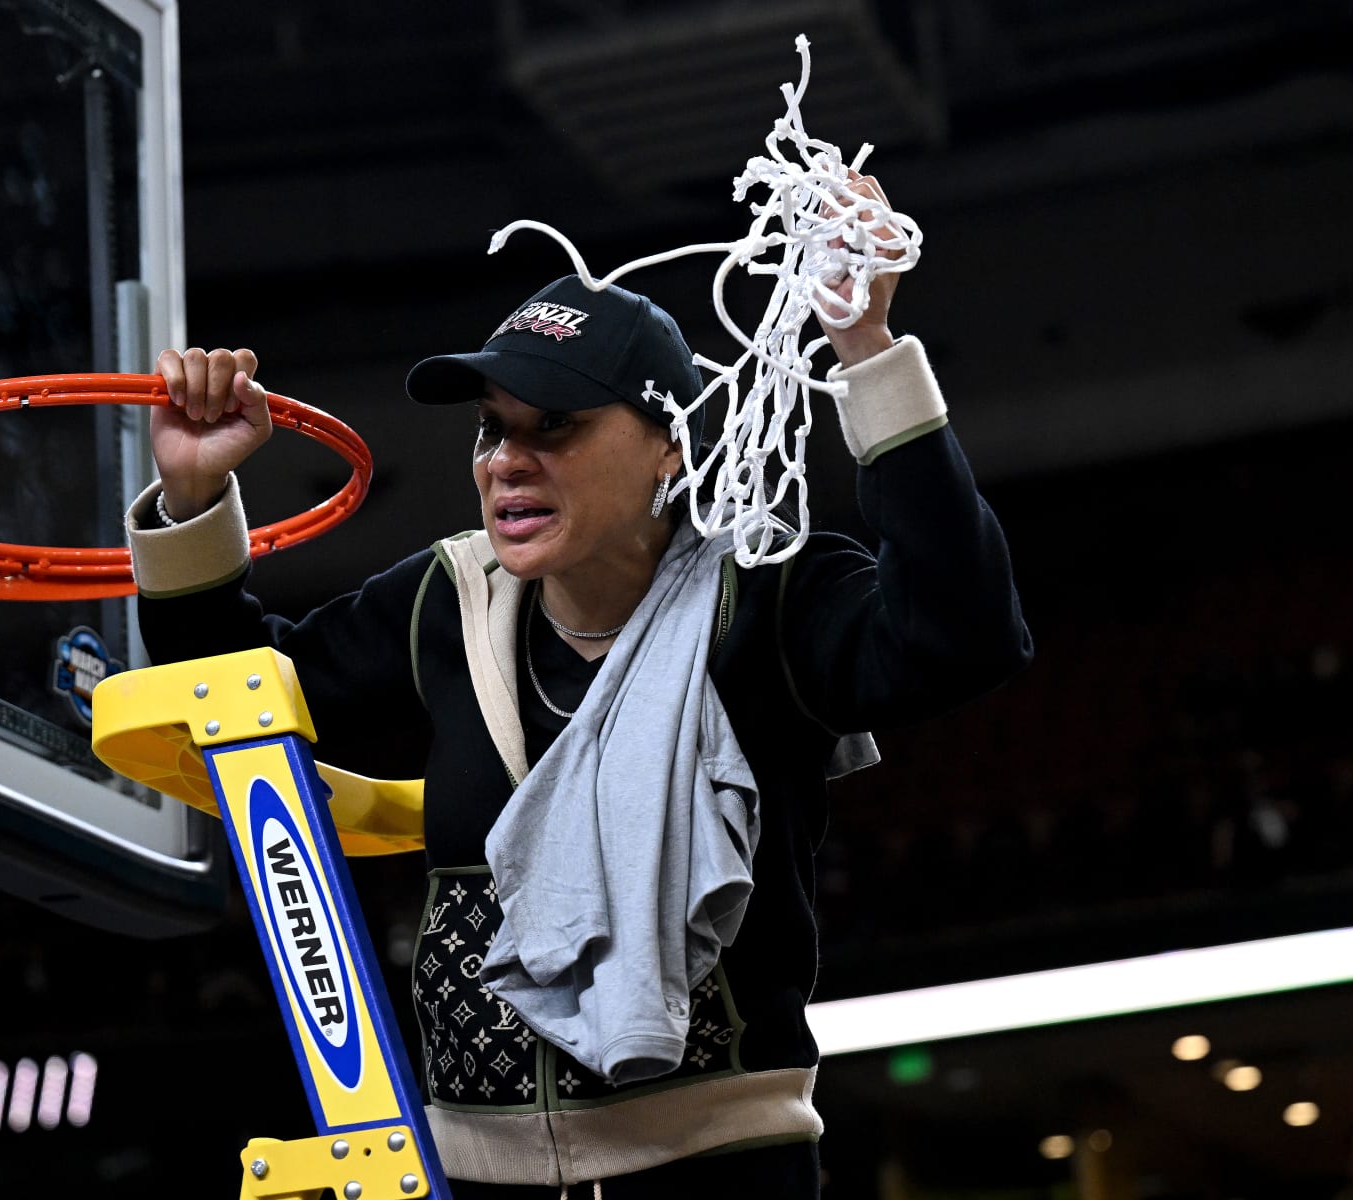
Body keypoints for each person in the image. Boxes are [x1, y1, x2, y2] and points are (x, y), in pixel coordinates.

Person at [127, 175, 1031, 1196]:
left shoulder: (768, 597)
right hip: (473, 1180)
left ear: (668, 447)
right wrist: (196, 490)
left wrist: (867, 351)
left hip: (721, 1170)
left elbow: (962, 638)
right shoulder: (447, 596)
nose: (506, 462)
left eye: (552, 426)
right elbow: (226, 698)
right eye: (490, 429)